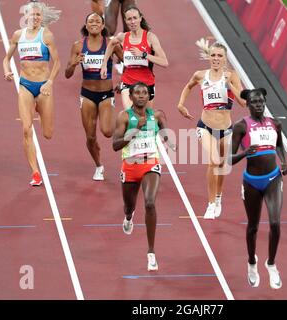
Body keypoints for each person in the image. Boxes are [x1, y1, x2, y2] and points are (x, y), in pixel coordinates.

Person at [229, 87, 287, 289]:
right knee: (253, 226)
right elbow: (228, 159)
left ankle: (271, 264)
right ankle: (252, 263)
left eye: (261, 102)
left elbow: (280, 145)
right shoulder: (241, 126)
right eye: (255, 102)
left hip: (273, 179)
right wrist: (245, 153)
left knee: (275, 223)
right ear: (248, 104)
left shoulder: (275, 124)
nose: (259, 105)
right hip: (252, 181)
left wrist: (284, 162)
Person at [177, 42, 245, 219]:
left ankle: (218, 197)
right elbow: (188, 86)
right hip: (205, 127)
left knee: (222, 165)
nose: (215, 59)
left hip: (226, 129)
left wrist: (230, 86)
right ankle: (210, 204)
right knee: (213, 161)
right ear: (209, 57)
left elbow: (243, 103)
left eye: (219, 56)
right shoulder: (200, 75)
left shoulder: (232, 76)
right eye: (213, 55)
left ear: (225, 59)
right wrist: (181, 104)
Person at [113, 82, 174, 271]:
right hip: (130, 166)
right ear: (130, 97)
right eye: (137, 93)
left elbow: (164, 131)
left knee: (149, 203)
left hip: (150, 164)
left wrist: (169, 141)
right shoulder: (124, 117)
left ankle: (151, 252)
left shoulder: (156, 115)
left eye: (144, 93)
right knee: (129, 206)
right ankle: (128, 217)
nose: (141, 96)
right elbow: (115, 145)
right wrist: (135, 131)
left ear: (149, 97)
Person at [2, 1, 60, 186]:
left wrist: (50, 83)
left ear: (41, 17)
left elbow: (57, 63)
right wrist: (7, 71)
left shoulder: (47, 36)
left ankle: (40, 109)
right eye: (31, 15)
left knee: (48, 134)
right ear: (25, 16)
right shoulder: (18, 35)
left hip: (43, 87)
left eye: (38, 15)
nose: (34, 18)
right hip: (25, 85)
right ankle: (35, 172)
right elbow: (6, 59)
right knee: (26, 129)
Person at [65, 12, 122, 180]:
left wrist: (125, 81)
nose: (95, 23)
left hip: (106, 94)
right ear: (86, 25)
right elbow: (67, 74)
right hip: (87, 95)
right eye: (91, 21)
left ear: (103, 26)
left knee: (107, 131)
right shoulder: (77, 46)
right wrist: (74, 64)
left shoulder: (111, 44)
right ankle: (99, 166)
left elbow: (128, 62)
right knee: (90, 137)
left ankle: (122, 120)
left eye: (98, 21)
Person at [100, 5, 168, 109]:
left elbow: (164, 62)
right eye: (129, 19)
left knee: (148, 119)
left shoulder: (150, 37)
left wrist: (144, 55)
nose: (132, 22)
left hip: (147, 83)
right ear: (125, 21)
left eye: (135, 18)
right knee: (130, 116)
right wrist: (104, 64)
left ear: (140, 18)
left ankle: (150, 125)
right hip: (128, 82)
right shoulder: (123, 37)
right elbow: (111, 44)